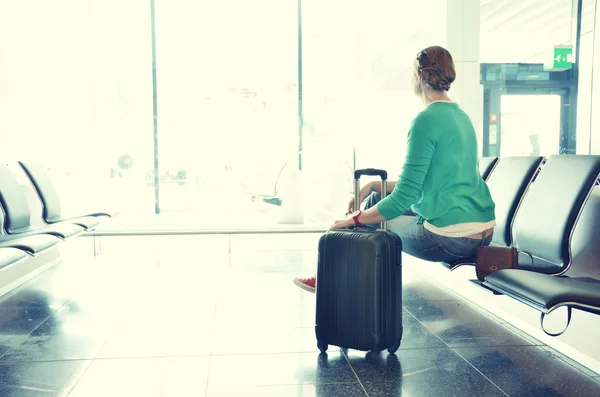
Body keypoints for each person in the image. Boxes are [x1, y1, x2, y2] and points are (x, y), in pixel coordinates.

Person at [293, 45, 496, 293]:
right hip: (482, 230)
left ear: (419, 76)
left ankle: (337, 282)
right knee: (377, 198)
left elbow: (405, 196)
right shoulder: (461, 116)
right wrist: (375, 186)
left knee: (369, 224)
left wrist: (354, 219)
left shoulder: (426, 120)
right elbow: (434, 180)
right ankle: (350, 279)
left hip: (451, 238)